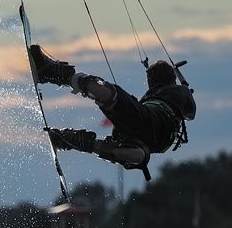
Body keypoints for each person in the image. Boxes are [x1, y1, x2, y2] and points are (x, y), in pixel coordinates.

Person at [29, 45, 196, 180]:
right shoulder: (176, 93)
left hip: (149, 119)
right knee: (137, 155)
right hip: (153, 140)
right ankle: (70, 140)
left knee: (109, 94)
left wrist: (185, 90)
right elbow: (190, 115)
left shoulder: (178, 91)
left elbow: (190, 113)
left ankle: (56, 73)